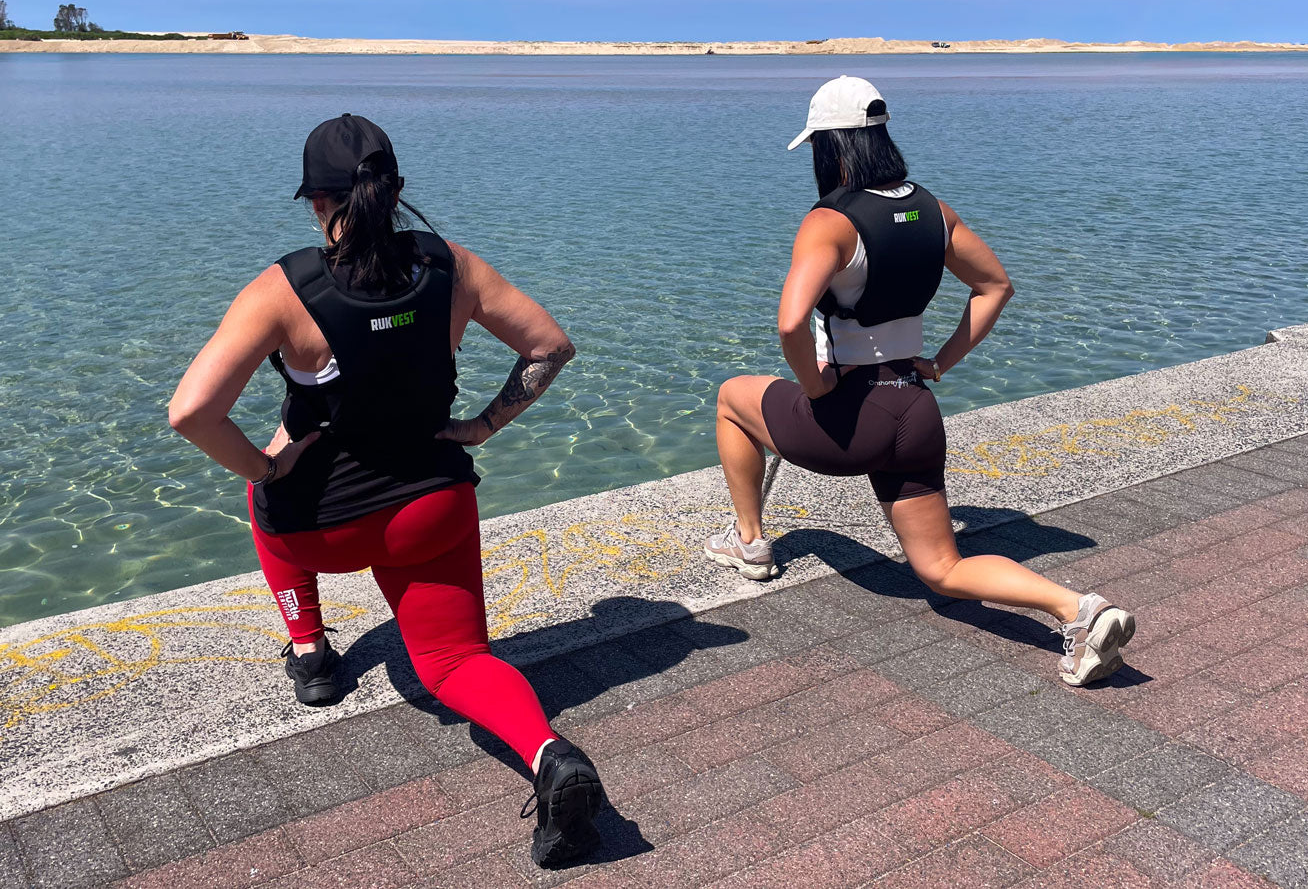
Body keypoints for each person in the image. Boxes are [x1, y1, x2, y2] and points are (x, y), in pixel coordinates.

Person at [168, 114, 603, 866]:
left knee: (262, 483)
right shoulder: (452, 267)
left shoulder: (285, 288)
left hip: (320, 526)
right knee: (453, 661)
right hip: (430, 509)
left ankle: (310, 653)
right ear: (395, 190)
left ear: (316, 200)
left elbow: (191, 413)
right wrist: (484, 427)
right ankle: (550, 755)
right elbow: (549, 347)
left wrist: (268, 468)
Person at [705, 78, 1136, 687]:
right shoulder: (935, 210)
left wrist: (816, 386)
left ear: (830, 146)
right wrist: (941, 361)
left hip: (850, 419)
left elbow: (791, 321)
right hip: (915, 408)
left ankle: (749, 542)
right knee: (941, 569)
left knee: (731, 397)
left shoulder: (830, 222)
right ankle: (1081, 610)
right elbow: (995, 286)